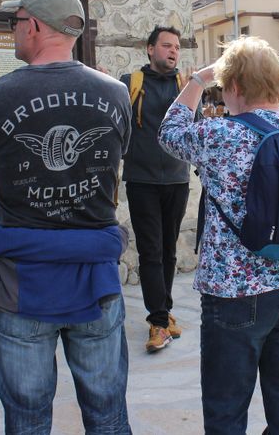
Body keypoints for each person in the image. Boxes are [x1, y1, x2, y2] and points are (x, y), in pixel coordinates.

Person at [0, 0, 132, 434]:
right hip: (94, 277)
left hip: (23, 280)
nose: (13, 32)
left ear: (36, 26)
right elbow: (114, 167)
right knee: (108, 414)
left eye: (15, 22)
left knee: (27, 418)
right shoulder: (115, 93)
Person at [159, 36, 279, 435]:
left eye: (224, 87)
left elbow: (169, 132)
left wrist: (195, 81)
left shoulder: (217, 135)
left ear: (235, 87)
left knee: (226, 412)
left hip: (234, 295)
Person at [119, 26, 190, 353]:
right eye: (166, 45)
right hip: (142, 180)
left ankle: (165, 311)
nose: (173, 51)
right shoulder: (129, 84)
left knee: (169, 250)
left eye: (176, 46)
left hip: (177, 179)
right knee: (151, 250)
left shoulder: (185, 85)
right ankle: (159, 322)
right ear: (150, 49)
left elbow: (194, 128)